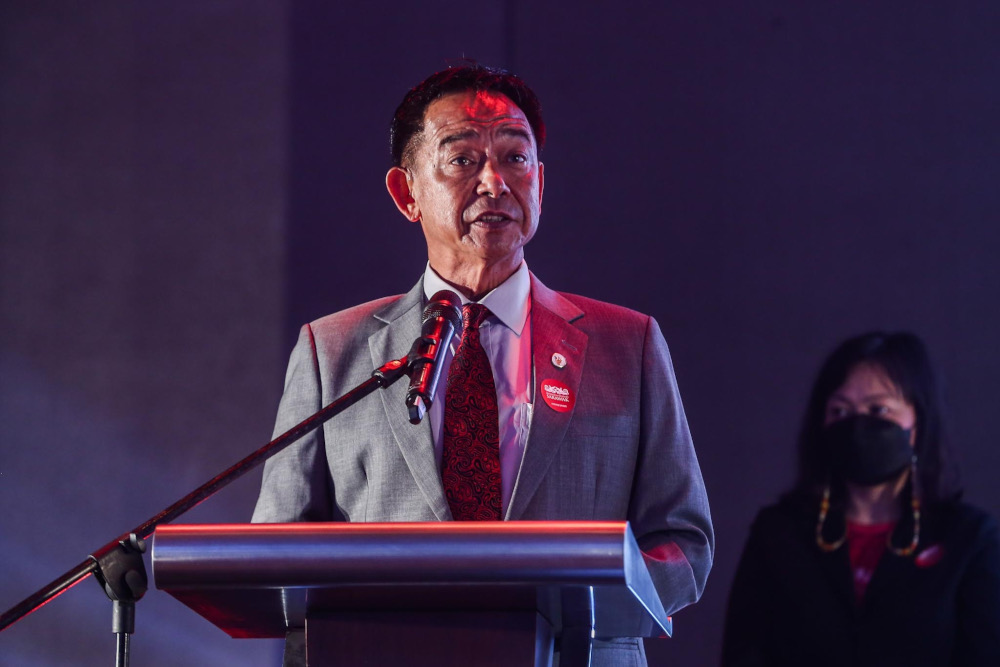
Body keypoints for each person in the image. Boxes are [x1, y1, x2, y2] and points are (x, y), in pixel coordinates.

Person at [252, 65, 714, 665]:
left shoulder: (627, 345)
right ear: (407, 193)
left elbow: (683, 542)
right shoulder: (333, 350)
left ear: (540, 182)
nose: (495, 182)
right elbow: (275, 552)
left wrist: (583, 602)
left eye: (515, 158)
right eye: (463, 160)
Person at [721, 332, 1000, 666]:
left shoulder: (969, 540)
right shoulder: (779, 533)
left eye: (878, 409)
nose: (857, 426)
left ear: (918, 425)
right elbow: (743, 654)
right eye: (840, 410)